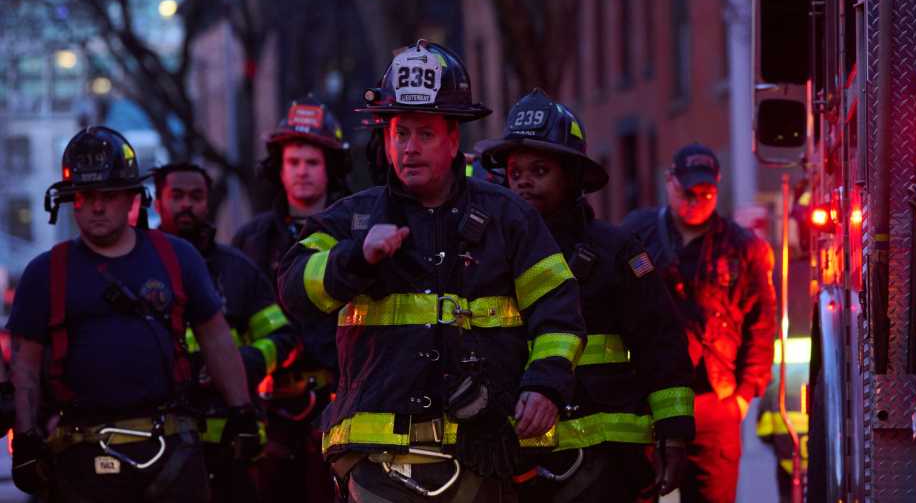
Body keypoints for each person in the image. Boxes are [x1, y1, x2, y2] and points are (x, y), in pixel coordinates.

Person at [277, 39, 586, 502]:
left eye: (424, 134)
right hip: (378, 459)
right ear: (385, 138)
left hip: (482, 451)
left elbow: (559, 311)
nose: (410, 149)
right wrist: (356, 257)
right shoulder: (351, 219)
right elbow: (294, 289)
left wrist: (544, 386)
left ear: (452, 139)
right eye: (400, 133)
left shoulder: (510, 218)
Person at [7, 126, 259, 502]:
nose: (96, 206)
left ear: (131, 199)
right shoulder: (45, 274)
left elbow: (216, 338)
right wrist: (26, 437)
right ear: (71, 201)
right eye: (85, 196)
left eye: (107, 195)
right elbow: (24, 366)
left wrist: (242, 412)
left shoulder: (177, 258)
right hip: (80, 456)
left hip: (171, 451)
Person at [477, 89, 694, 503]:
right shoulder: (485, 253)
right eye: (514, 170)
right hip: (507, 458)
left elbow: (660, 343)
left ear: (573, 178)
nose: (522, 180)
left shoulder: (617, 252)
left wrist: (674, 433)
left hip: (605, 460)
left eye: (539, 169)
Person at [622, 144, 777, 503]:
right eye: (687, 192)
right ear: (669, 182)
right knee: (638, 491)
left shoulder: (744, 248)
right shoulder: (636, 235)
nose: (696, 200)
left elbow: (761, 324)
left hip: (715, 402)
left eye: (705, 193)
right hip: (649, 399)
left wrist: (743, 396)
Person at [233, 95, 352, 503]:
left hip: (339, 408)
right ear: (278, 168)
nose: (302, 172)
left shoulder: (357, 234)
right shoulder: (250, 240)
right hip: (269, 413)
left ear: (331, 169)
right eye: (294, 162)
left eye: (313, 163)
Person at [155, 162, 296, 502]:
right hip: (158, 444)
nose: (187, 205)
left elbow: (284, 337)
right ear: (157, 201)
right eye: (177, 196)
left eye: (196, 196)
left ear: (208, 202)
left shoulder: (238, 270)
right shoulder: (137, 266)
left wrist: (246, 361)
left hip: (230, 444)